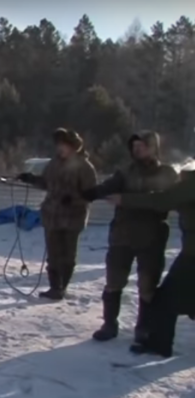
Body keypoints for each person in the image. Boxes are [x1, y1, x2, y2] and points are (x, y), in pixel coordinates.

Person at [81, 131, 177, 342]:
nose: (137, 149)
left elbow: (165, 200)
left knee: (147, 286)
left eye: (142, 145)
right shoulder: (124, 173)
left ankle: (144, 327)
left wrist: (126, 199)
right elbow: (107, 187)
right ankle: (109, 324)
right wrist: (87, 193)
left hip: (152, 237)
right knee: (113, 282)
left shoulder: (167, 173)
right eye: (134, 146)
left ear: (154, 147)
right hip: (122, 235)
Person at [106, 168, 195, 358]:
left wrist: (125, 199)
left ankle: (158, 345)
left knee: (165, 300)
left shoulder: (191, 184)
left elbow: (161, 201)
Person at [16, 128, 98, 300]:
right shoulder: (53, 164)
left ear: (73, 147)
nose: (60, 149)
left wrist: (74, 199)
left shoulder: (85, 167)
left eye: (64, 145)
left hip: (73, 218)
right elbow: (46, 183)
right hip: (52, 215)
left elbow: (91, 194)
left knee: (68, 255)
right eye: (59, 145)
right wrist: (30, 178)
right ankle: (55, 287)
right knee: (53, 255)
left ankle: (62, 287)